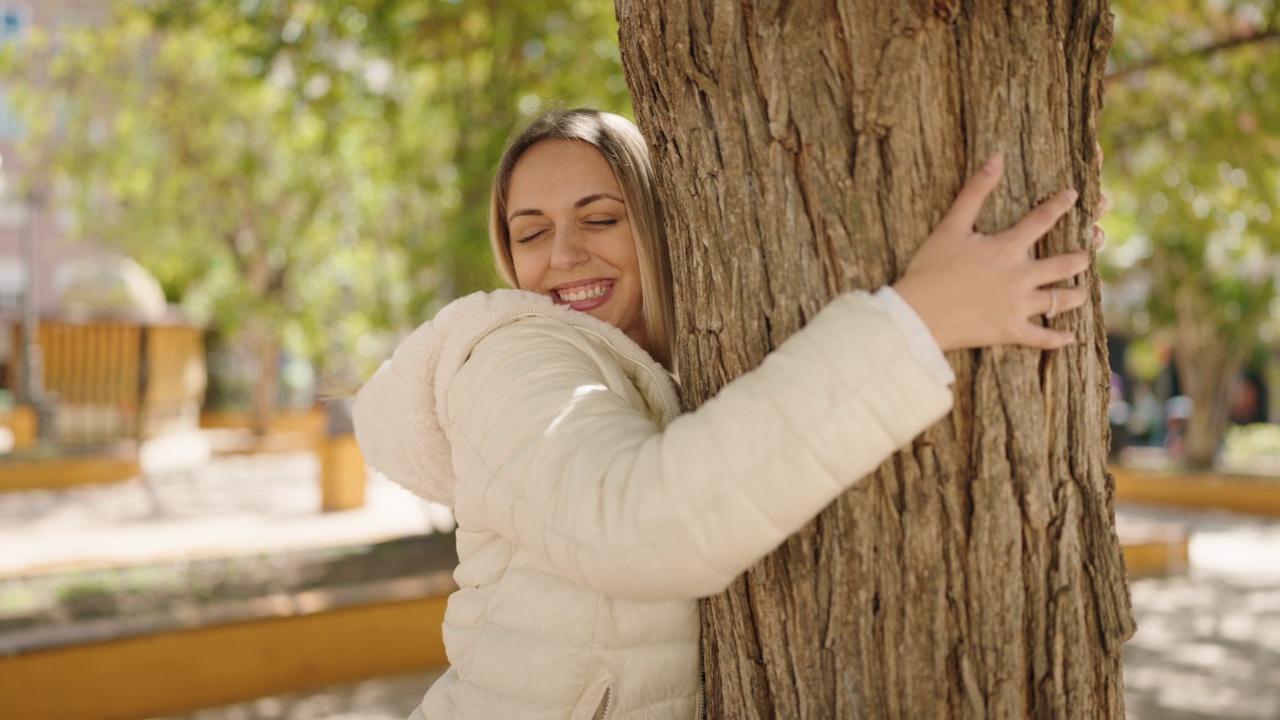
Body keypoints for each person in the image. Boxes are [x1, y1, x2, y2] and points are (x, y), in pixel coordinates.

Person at [353, 108, 1093, 719]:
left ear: (654, 220)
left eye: (600, 218)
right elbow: (642, 527)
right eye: (532, 232)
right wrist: (916, 323)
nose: (566, 254)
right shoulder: (514, 358)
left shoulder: (661, 373)